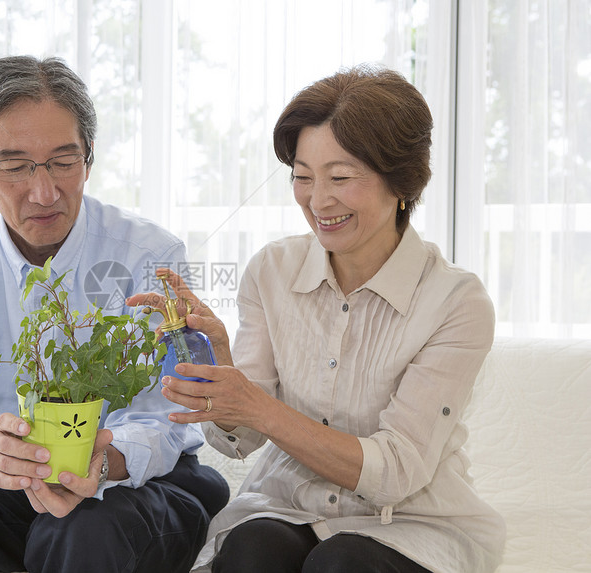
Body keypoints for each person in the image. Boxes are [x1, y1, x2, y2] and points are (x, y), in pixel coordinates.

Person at [129, 65, 505, 573]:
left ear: (401, 180)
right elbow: (239, 441)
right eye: (302, 177)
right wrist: (221, 367)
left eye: (340, 178)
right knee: (249, 553)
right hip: (287, 505)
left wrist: (259, 406)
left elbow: (397, 470)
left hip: (411, 521)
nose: (317, 200)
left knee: (342, 563)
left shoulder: (456, 302)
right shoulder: (271, 271)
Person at [0, 55, 228, 573]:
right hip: (18, 481)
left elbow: (165, 417)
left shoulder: (149, 253)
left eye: (65, 161)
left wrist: (101, 463)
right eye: (15, 167)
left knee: (84, 527)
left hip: (135, 482)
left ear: (90, 157)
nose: (45, 193)